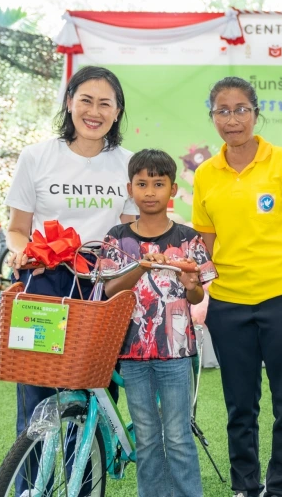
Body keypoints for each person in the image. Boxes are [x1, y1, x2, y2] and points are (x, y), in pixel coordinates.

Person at [5, 65, 137, 495]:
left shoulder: (127, 164)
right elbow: (17, 227)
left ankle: (84, 487)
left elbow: (131, 234)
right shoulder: (37, 157)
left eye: (105, 103)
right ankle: (30, 486)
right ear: (69, 102)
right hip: (44, 287)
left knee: (94, 392)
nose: (94, 111)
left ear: (117, 112)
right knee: (37, 393)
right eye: (86, 100)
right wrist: (20, 251)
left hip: (103, 288)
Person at [191, 76, 282, 497]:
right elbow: (204, 246)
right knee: (239, 407)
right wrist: (192, 282)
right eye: (222, 111)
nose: (233, 119)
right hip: (228, 306)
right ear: (212, 117)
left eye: (241, 109)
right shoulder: (206, 174)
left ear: (256, 112)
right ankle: (246, 486)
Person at [101, 149, 206, 497]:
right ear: (130, 188)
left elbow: (196, 298)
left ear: (172, 190)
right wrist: (141, 266)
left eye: (158, 184)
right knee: (145, 439)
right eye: (142, 183)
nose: (149, 191)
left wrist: (191, 285)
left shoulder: (189, 239)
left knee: (177, 437)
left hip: (175, 355)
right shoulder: (117, 237)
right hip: (131, 353)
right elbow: (111, 289)